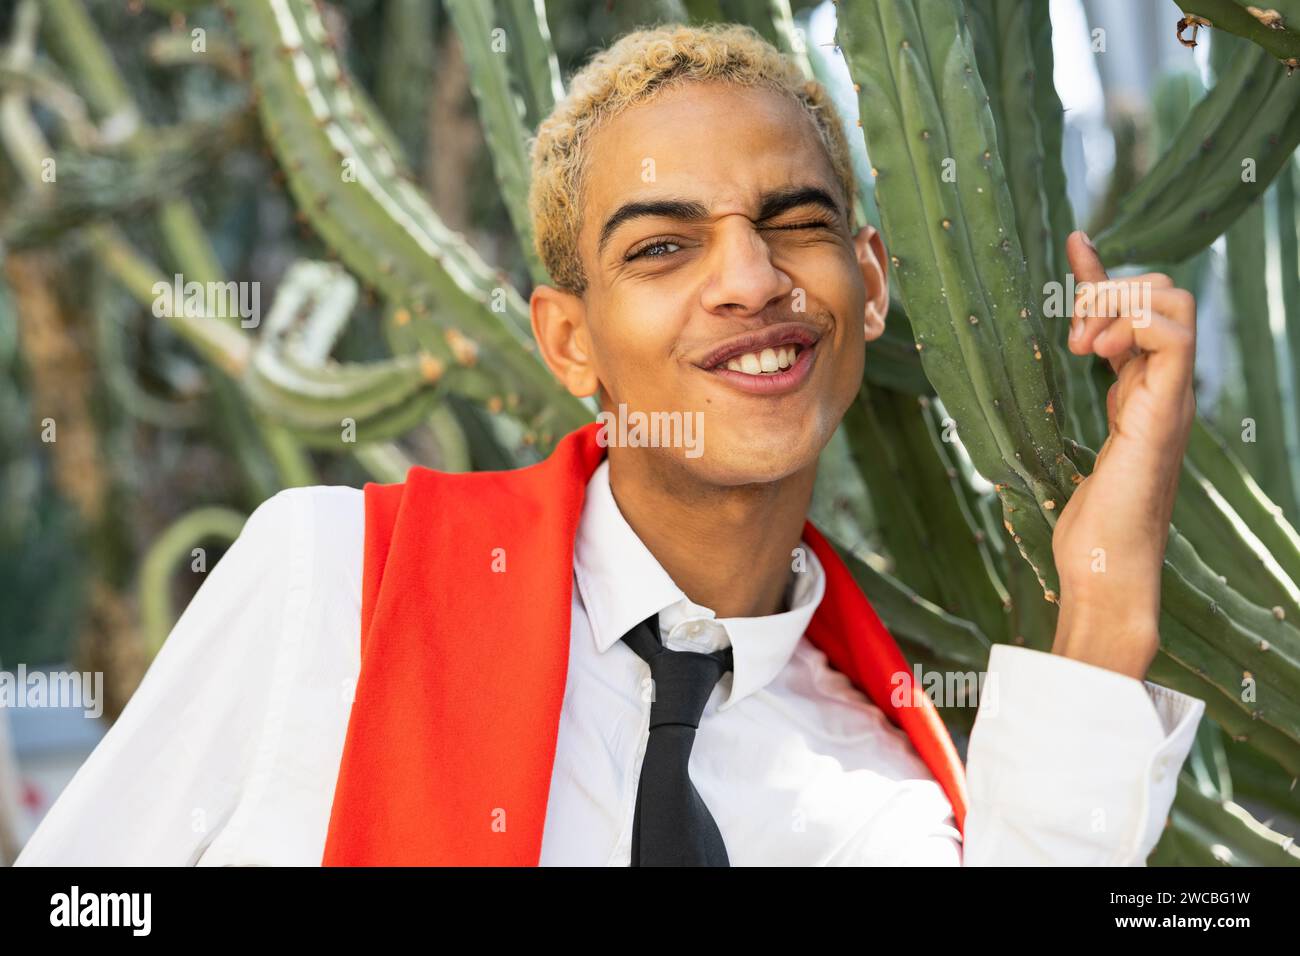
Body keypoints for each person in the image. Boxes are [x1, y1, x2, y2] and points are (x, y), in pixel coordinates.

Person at [16, 22, 1204, 867]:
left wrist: (1103, 610)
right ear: (569, 340)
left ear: (871, 284)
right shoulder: (336, 583)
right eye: (661, 248)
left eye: (796, 222)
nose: (750, 278)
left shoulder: (884, 801)